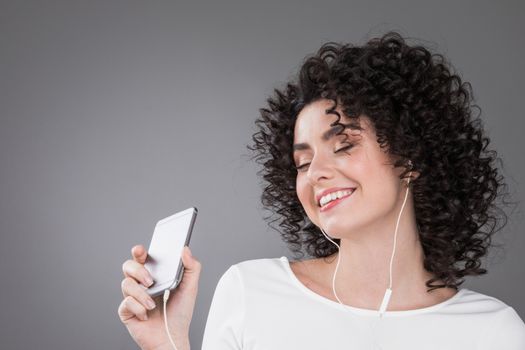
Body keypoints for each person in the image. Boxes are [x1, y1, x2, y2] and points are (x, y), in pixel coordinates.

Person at [118, 31, 525, 349]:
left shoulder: (493, 333)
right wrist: (166, 346)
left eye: (344, 145)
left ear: (411, 156)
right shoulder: (252, 291)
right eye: (303, 162)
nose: (316, 174)